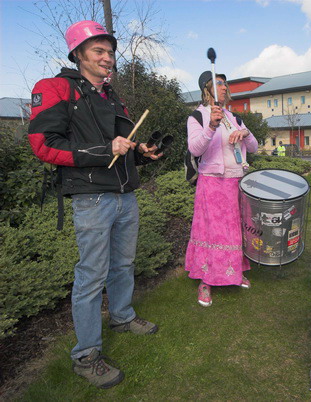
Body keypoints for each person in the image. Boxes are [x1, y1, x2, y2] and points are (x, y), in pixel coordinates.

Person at [27, 20, 161, 388]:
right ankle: (86, 355)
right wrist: (106, 150)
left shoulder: (111, 95)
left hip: (125, 196)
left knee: (124, 264)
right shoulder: (54, 88)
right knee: (91, 276)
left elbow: (122, 146)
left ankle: (121, 315)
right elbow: (44, 145)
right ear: (78, 54)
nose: (108, 58)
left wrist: (142, 154)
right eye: (99, 51)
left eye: (110, 52)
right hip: (91, 198)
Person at [185, 71, 258, 307]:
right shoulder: (197, 116)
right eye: (218, 83)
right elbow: (195, 149)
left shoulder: (234, 117)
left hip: (236, 180)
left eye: (225, 83)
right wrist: (211, 127)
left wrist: (245, 132)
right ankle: (206, 280)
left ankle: (233, 272)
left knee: (235, 229)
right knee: (210, 231)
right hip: (211, 181)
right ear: (207, 89)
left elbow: (254, 148)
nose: (224, 87)